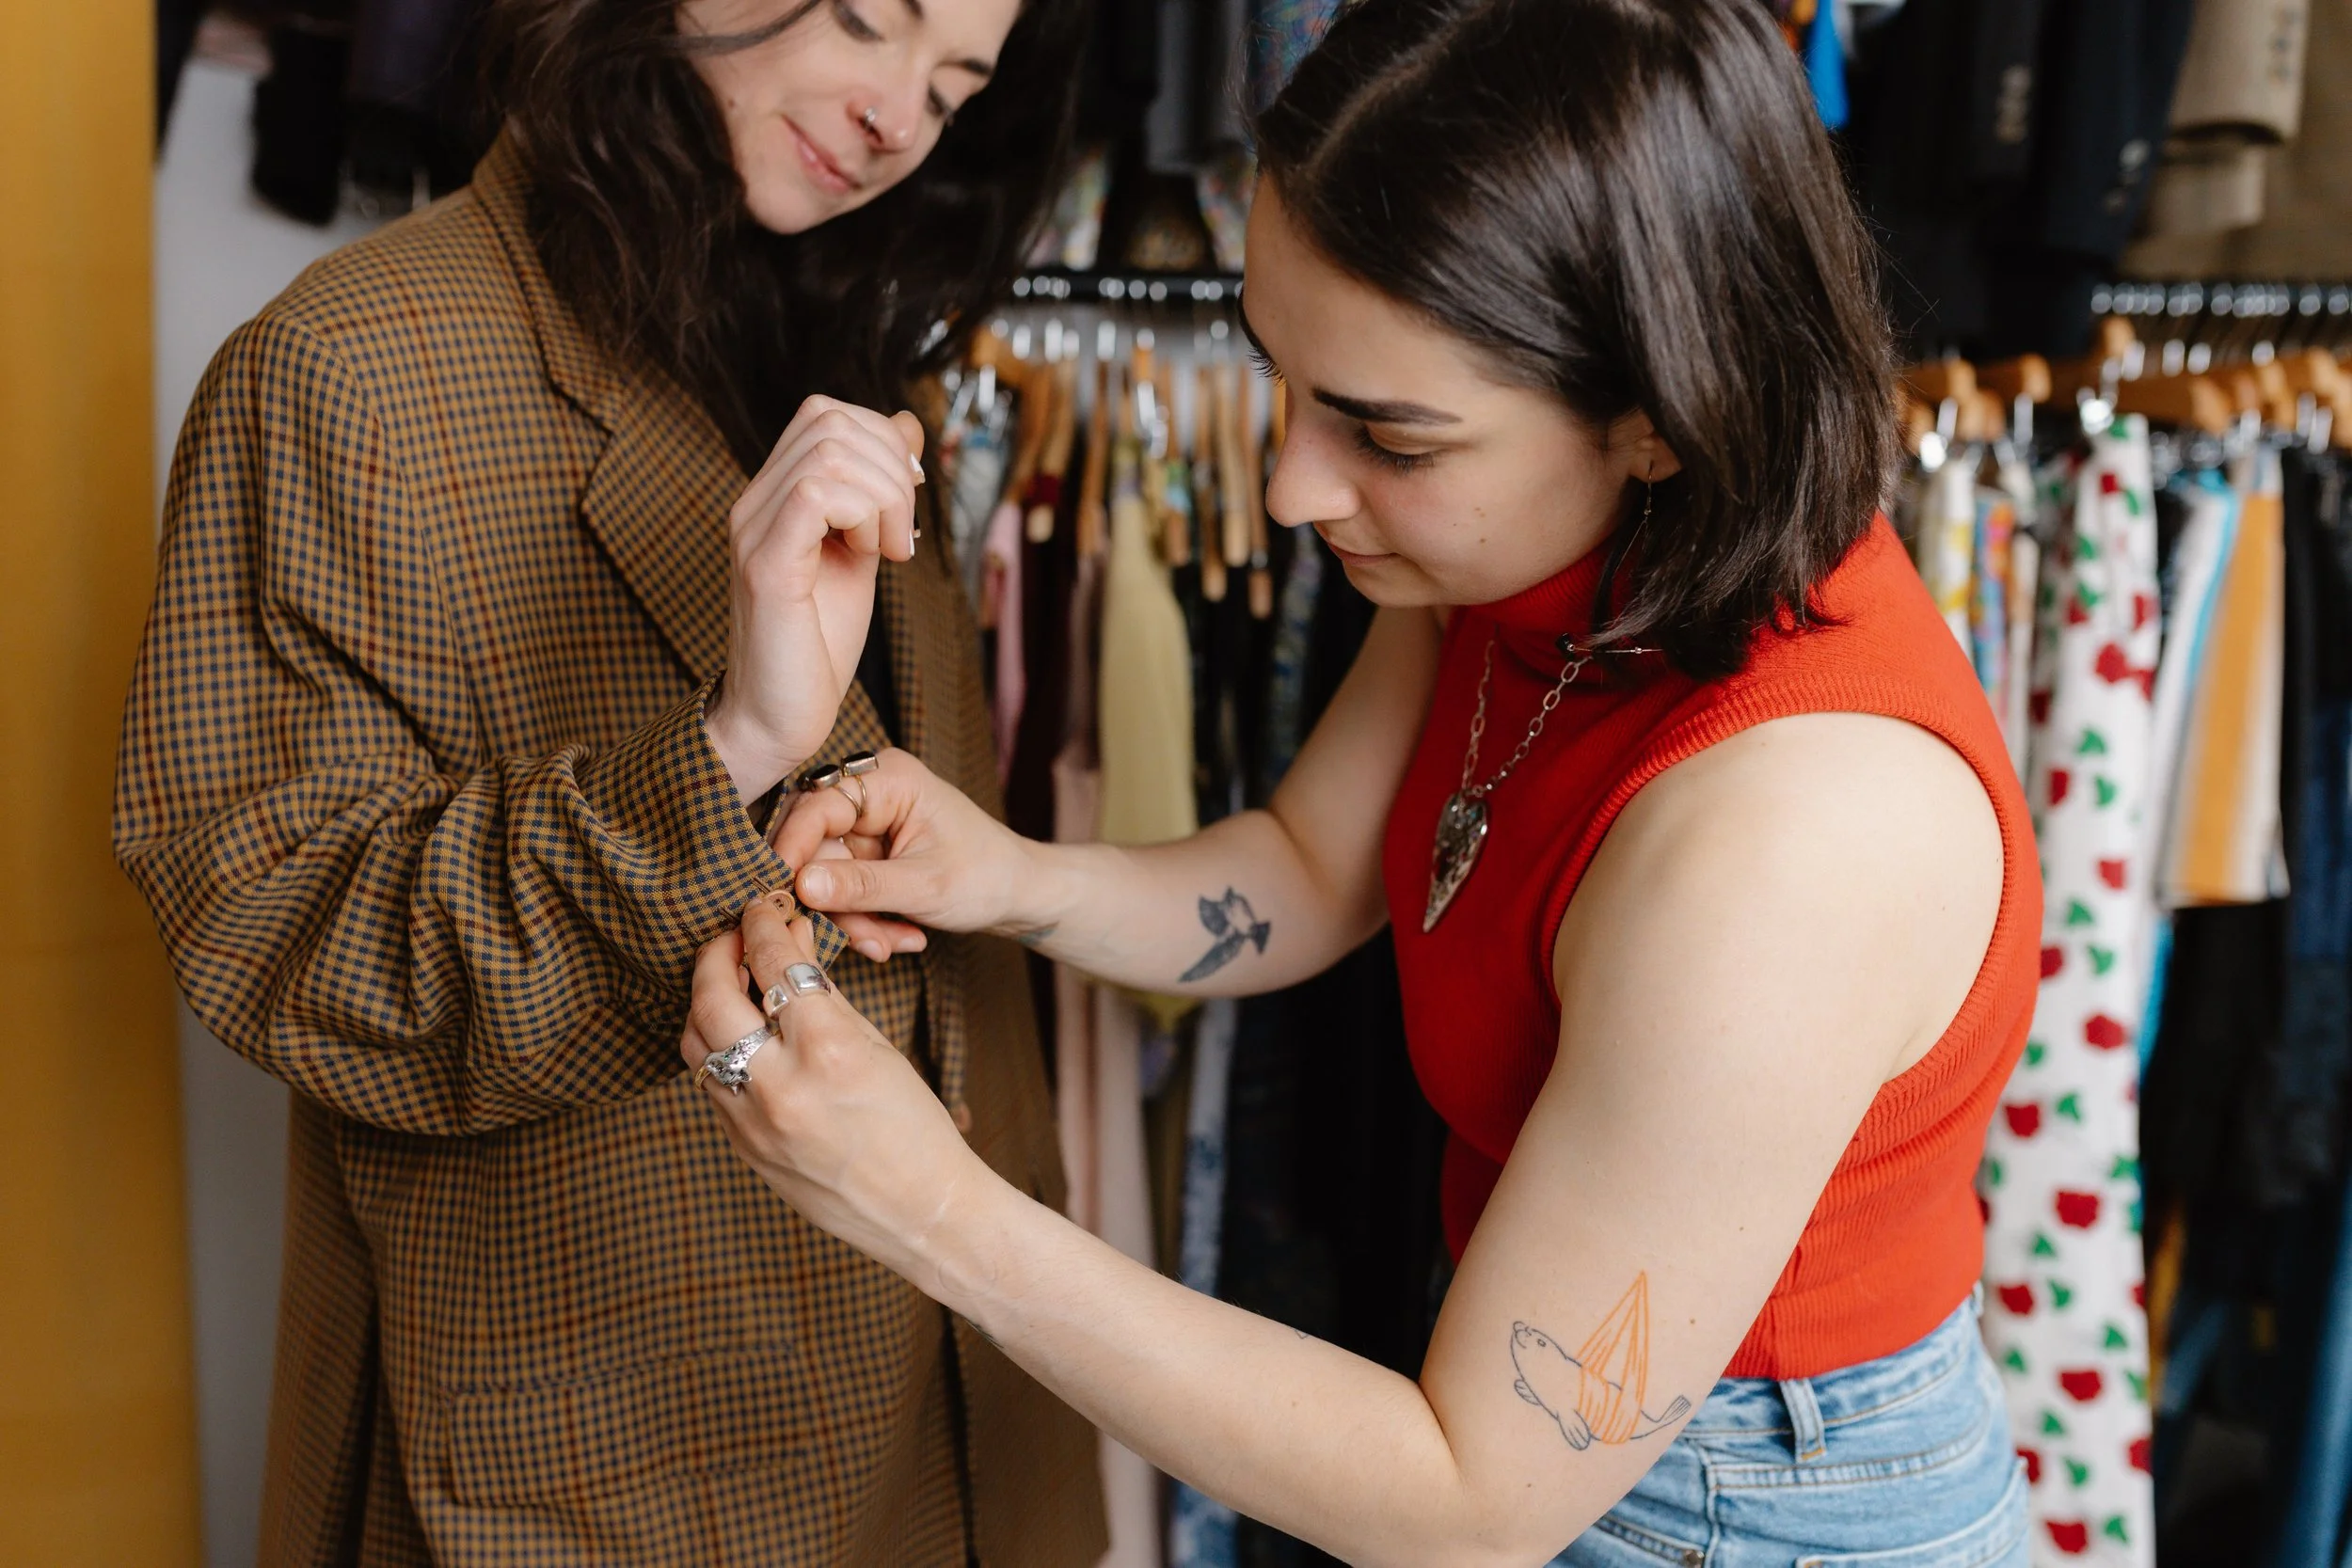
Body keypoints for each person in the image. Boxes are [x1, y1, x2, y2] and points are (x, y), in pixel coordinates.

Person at [681, 0, 2043, 1562]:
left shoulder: (1792, 836)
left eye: (1387, 432)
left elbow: (1473, 1499)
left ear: (1659, 421)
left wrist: (927, 1202)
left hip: (1748, 1508)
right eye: (1285, 374)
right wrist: (1006, 874)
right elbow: (1315, 865)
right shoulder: (1539, 551)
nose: (1288, 484)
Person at [114, 0, 1107, 1560]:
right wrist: (729, 755)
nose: (900, 116)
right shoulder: (348, 368)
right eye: (866, 20)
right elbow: (280, 949)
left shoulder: (855, 348)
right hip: (591, 1458)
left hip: (951, 1414)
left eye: (958, 81)